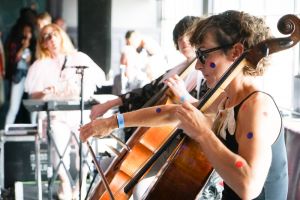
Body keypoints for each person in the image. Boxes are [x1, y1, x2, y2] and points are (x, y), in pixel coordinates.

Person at [80, 10, 288, 200]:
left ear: (236, 52)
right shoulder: (226, 97)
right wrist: (113, 122)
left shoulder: (257, 107)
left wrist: (203, 134)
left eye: (203, 55)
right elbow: (177, 112)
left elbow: (249, 187)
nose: (197, 65)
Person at [25, 23, 106, 200]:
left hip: (78, 112)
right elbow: (33, 94)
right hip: (56, 114)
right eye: (46, 37)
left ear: (61, 35)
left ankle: (80, 184)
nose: (51, 39)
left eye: (54, 34)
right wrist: (47, 91)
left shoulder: (78, 58)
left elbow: (96, 82)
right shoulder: (40, 65)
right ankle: (64, 182)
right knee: (57, 148)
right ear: (43, 43)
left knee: (85, 149)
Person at [90, 16, 201, 141]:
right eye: (180, 38)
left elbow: (204, 112)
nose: (184, 41)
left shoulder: (205, 73)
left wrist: (183, 96)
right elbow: (145, 92)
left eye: (189, 35)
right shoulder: (175, 70)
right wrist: (107, 105)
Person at [5, 23, 33, 126]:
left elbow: (32, 61)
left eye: (29, 31)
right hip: (18, 76)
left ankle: (36, 131)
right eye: (25, 31)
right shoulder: (16, 43)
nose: (27, 33)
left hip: (30, 77)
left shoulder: (34, 44)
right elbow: (15, 58)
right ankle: (6, 131)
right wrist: (23, 46)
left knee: (34, 107)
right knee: (13, 107)